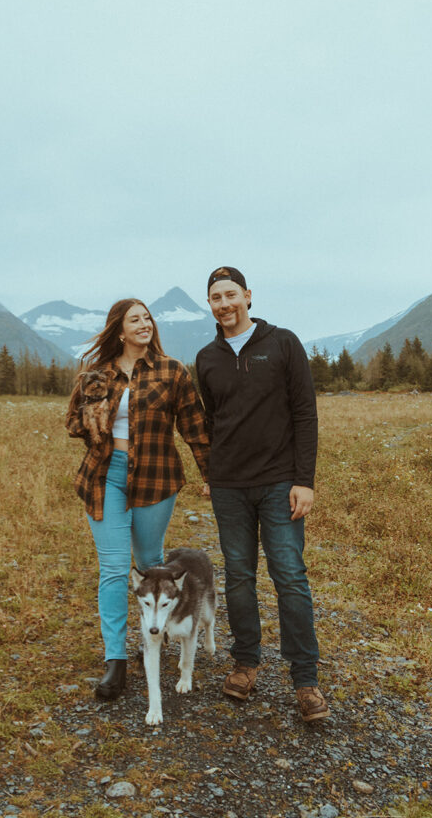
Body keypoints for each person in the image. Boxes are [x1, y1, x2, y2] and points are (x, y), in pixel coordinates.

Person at [196, 266, 329, 722]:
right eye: (215, 297)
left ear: (248, 296)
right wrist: (213, 471)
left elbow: (304, 413)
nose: (224, 303)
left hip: (279, 483)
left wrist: (304, 480)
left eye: (230, 294)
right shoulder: (207, 357)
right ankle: (245, 664)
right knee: (238, 575)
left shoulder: (283, 343)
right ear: (210, 305)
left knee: (290, 575)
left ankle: (305, 680)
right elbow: (213, 421)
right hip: (229, 486)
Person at [65, 298, 210, 701]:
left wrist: (212, 475)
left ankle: (157, 634)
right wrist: (94, 412)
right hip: (105, 476)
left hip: (156, 477)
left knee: (150, 565)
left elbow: (195, 428)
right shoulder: (96, 374)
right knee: (113, 569)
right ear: (120, 329)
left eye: (147, 317)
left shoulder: (172, 371)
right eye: (135, 319)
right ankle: (116, 661)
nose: (144, 323)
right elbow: (73, 424)